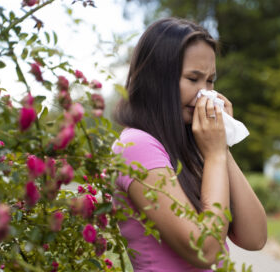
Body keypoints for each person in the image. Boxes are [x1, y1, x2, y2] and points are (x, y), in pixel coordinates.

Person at [112, 17, 267, 271]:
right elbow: (205, 250)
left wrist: (222, 146)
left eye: (210, 81)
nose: (205, 93)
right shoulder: (136, 146)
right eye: (193, 79)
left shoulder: (191, 146)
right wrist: (215, 155)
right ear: (157, 81)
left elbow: (255, 238)